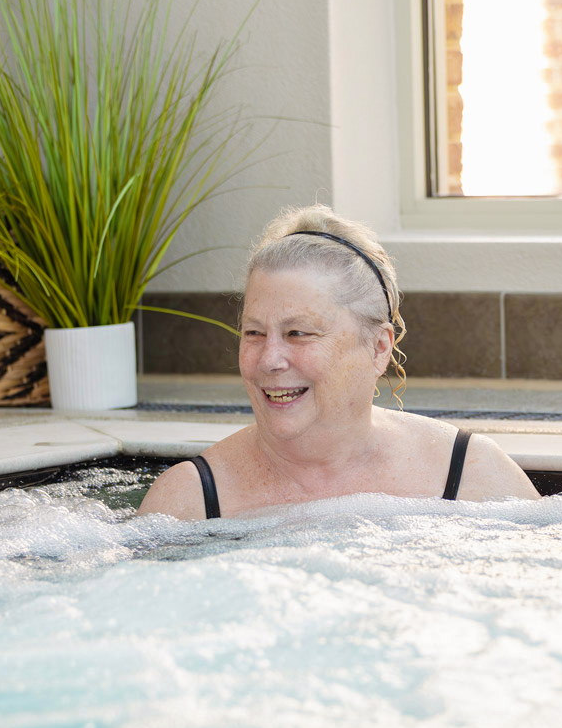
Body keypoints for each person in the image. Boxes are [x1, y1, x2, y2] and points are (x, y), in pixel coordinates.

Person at [140, 205, 538, 519]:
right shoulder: (188, 503)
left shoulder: (471, 476)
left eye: (299, 333)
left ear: (380, 348)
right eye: (254, 333)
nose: (269, 359)